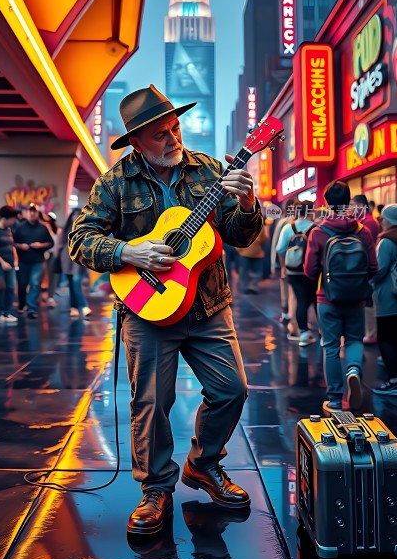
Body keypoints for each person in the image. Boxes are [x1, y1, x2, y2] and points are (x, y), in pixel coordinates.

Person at [68, 84, 263, 536]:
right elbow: (81, 239)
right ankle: (156, 488)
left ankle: (203, 464)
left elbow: (237, 235)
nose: (173, 139)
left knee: (232, 389)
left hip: (209, 305)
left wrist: (249, 205)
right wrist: (129, 253)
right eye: (161, 134)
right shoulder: (115, 183)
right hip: (147, 309)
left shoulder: (211, 170)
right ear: (136, 140)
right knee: (151, 403)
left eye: (175, 128)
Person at [304, 181, 378, 415]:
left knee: (331, 346)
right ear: (348, 201)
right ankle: (354, 371)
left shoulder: (318, 231)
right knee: (355, 340)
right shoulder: (362, 230)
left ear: (326, 202)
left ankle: (335, 399)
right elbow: (373, 266)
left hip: (328, 298)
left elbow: (309, 270)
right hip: (356, 298)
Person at [276, 202, 318, 348]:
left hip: (293, 270)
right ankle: (324, 334)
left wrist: (283, 267)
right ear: (310, 211)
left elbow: (280, 249)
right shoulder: (316, 229)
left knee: (301, 300)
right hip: (312, 271)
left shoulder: (288, 228)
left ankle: (303, 334)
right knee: (315, 299)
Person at [371, 204, 397, 395]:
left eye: (383, 217)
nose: (381, 220)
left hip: (388, 298)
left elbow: (379, 269)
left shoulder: (387, 241)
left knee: (386, 339)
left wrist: (367, 282)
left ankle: (394, 381)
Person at [13, 203, 53, 319]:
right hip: (23, 261)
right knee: (22, 285)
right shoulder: (20, 227)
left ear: (37, 213)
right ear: (26, 213)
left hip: (38, 261)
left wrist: (41, 245)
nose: (32, 213)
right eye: (30, 211)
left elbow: (51, 243)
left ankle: (31, 308)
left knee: (35, 284)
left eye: (34, 211)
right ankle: (22, 304)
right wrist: (21, 246)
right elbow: (13, 243)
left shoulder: (43, 227)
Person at [351, 193, 380, 344]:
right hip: (365, 266)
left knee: (368, 300)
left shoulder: (367, 223)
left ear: (361, 206)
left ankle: (371, 333)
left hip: (366, 266)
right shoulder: (363, 221)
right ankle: (369, 331)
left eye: (352, 205)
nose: (350, 208)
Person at [56, 209, 91, 318]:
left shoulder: (85, 228)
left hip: (78, 258)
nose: (76, 217)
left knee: (75, 281)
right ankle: (74, 308)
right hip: (66, 258)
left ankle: (84, 306)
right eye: (74, 215)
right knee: (71, 283)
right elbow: (60, 244)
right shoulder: (67, 229)